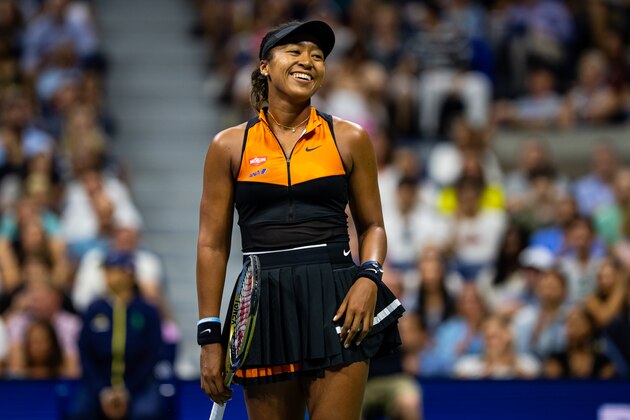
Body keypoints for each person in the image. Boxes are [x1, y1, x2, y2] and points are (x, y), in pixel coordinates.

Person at [196, 20, 404, 420]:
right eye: (294, 52)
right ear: (264, 66)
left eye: (318, 55)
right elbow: (211, 244)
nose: (307, 61)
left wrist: (369, 277)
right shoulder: (228, 146)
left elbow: (373, 226)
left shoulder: (350, 138)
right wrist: (209, 334)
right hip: (263, 304)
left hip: (338, 299)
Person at [67, 251, 165, 420]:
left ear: (129, 273)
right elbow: (84, 352)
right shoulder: (95, 309)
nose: (107, 276)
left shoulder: (146, 311)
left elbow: (153, 353)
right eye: (106, 271)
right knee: (79, 412)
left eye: (113, 270)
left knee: (146, 413)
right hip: (98, 384)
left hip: (140, 383)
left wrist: (127, 389)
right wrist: (103, 390)